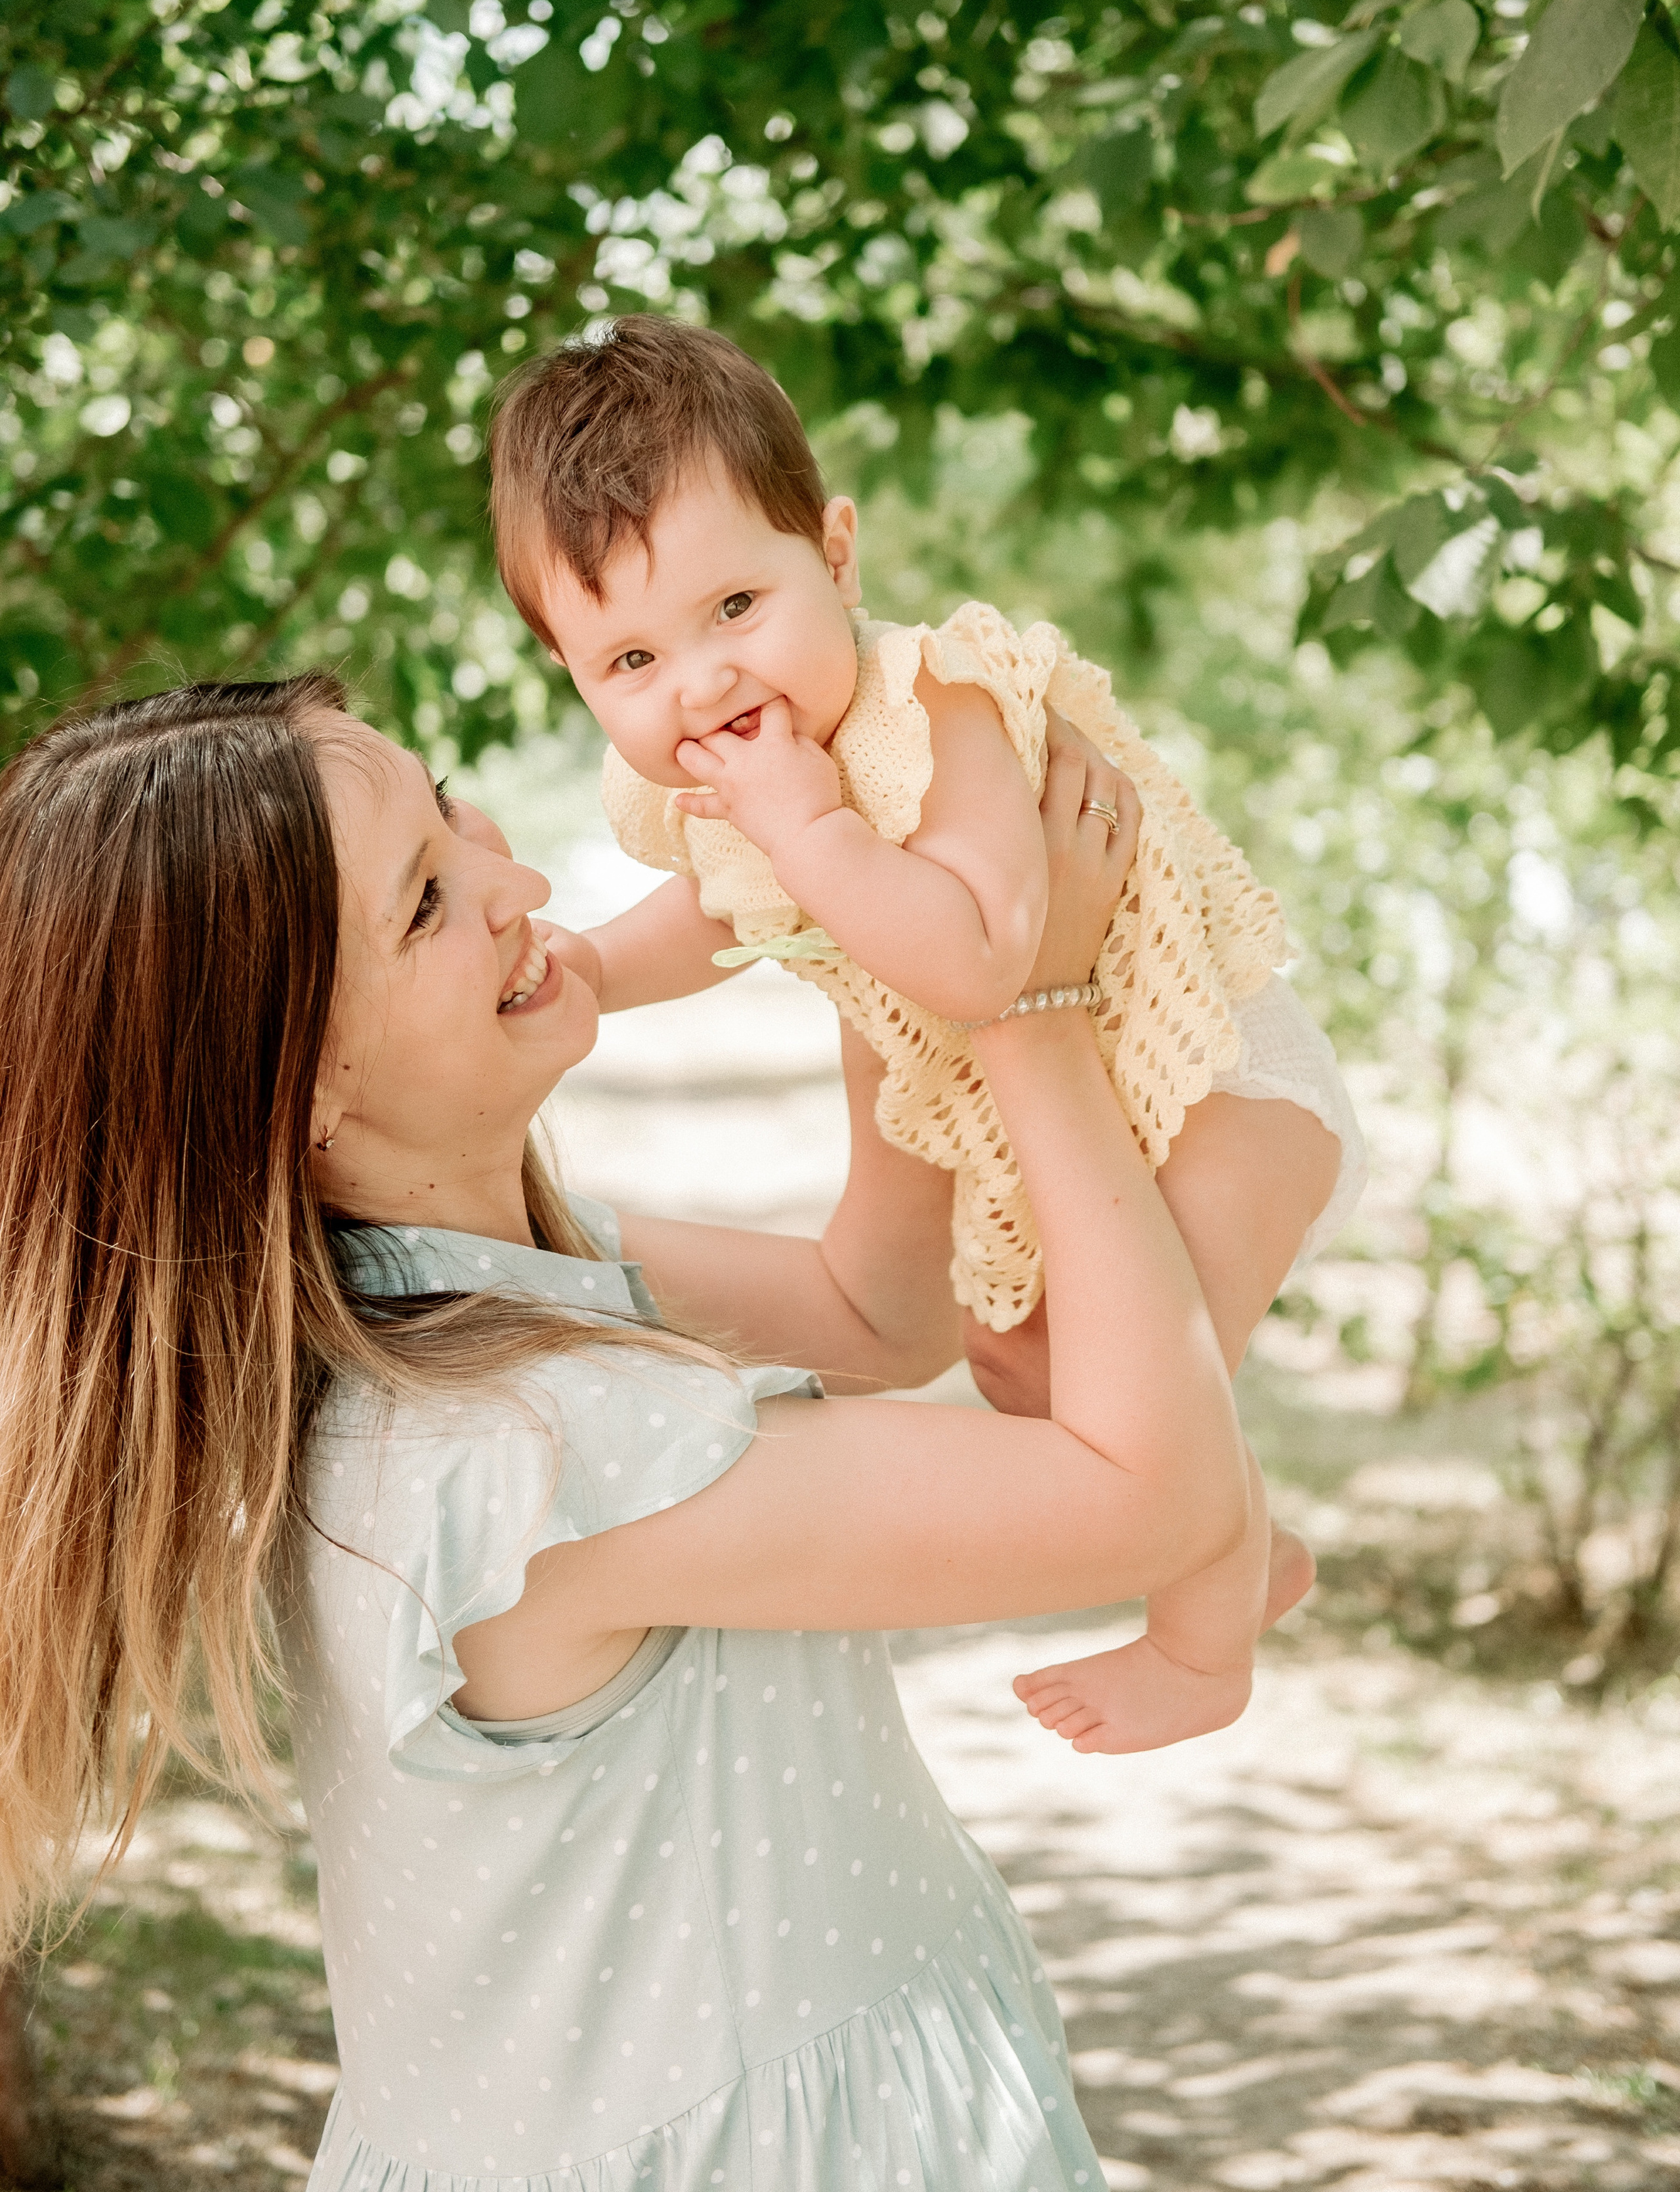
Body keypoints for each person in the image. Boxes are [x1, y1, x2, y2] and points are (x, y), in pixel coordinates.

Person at [0, 672, 1265, 2192]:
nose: (517, 880)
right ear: (299, 1088)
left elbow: (875, 1313)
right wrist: (1027, 1008)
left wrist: (892, 933)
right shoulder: (517, 1450)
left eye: (453, 815)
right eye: (420, 903)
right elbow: (1156, 1497)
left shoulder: (442, 1303)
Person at [486, 316, 1364, 1754]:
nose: (701, 684)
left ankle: (1204, 1653)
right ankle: (1247, 1548)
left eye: (733, 608)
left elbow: (981, 954)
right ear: (572, 671)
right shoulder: (748, 786)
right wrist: (590, 961)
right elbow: (725, 911)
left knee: (1138, 1378)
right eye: (630, 656)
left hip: (1213, 1082)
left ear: (834, 555)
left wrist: (809, 820)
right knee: (1018, 1366)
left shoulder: (938, 700)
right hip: (1056, 1113)